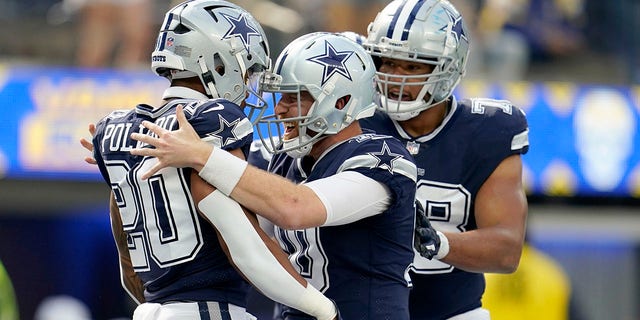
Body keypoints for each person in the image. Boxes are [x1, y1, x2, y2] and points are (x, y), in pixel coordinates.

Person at [126, 32, 418, 319]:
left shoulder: (383, 158)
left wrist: (203, 155)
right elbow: (243, 230)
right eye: (280, 97)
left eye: (293, 98)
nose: (278, 109)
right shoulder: (285, 159)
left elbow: (295, 208)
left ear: (340, 102)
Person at [81, 1, 339, 319]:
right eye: (248, 71)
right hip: (209, 310)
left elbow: (129, 265)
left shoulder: (116, 130)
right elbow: (244, 247)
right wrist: (322, 308)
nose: (248, 88)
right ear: (218, 62)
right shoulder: (210, 120)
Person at [361, 0, 530, 319]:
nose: (395, 77)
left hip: (452, 313)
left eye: (412, 67)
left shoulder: (489, 131)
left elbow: (507, 251)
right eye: (387, 61)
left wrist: (435, 243)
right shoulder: (355, 119)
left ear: (447, 67)